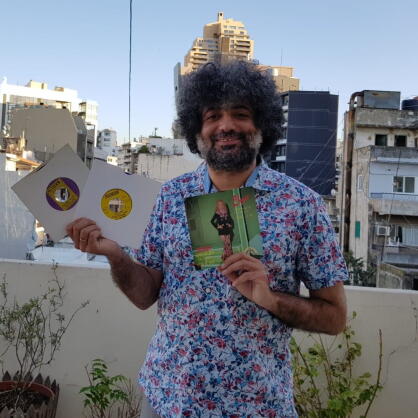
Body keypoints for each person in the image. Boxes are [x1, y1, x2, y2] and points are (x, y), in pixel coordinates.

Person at [66, 61, 348, 417]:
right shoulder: (170, 197)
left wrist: (270, 299)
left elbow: (334, 318)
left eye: (240, 114)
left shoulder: (302, 204)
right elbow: (145, 295)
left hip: (257, 407)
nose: (226, 125)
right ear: (197, 130)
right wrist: (115, 255)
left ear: (261, 124)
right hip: (168, 400)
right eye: (213, 115)